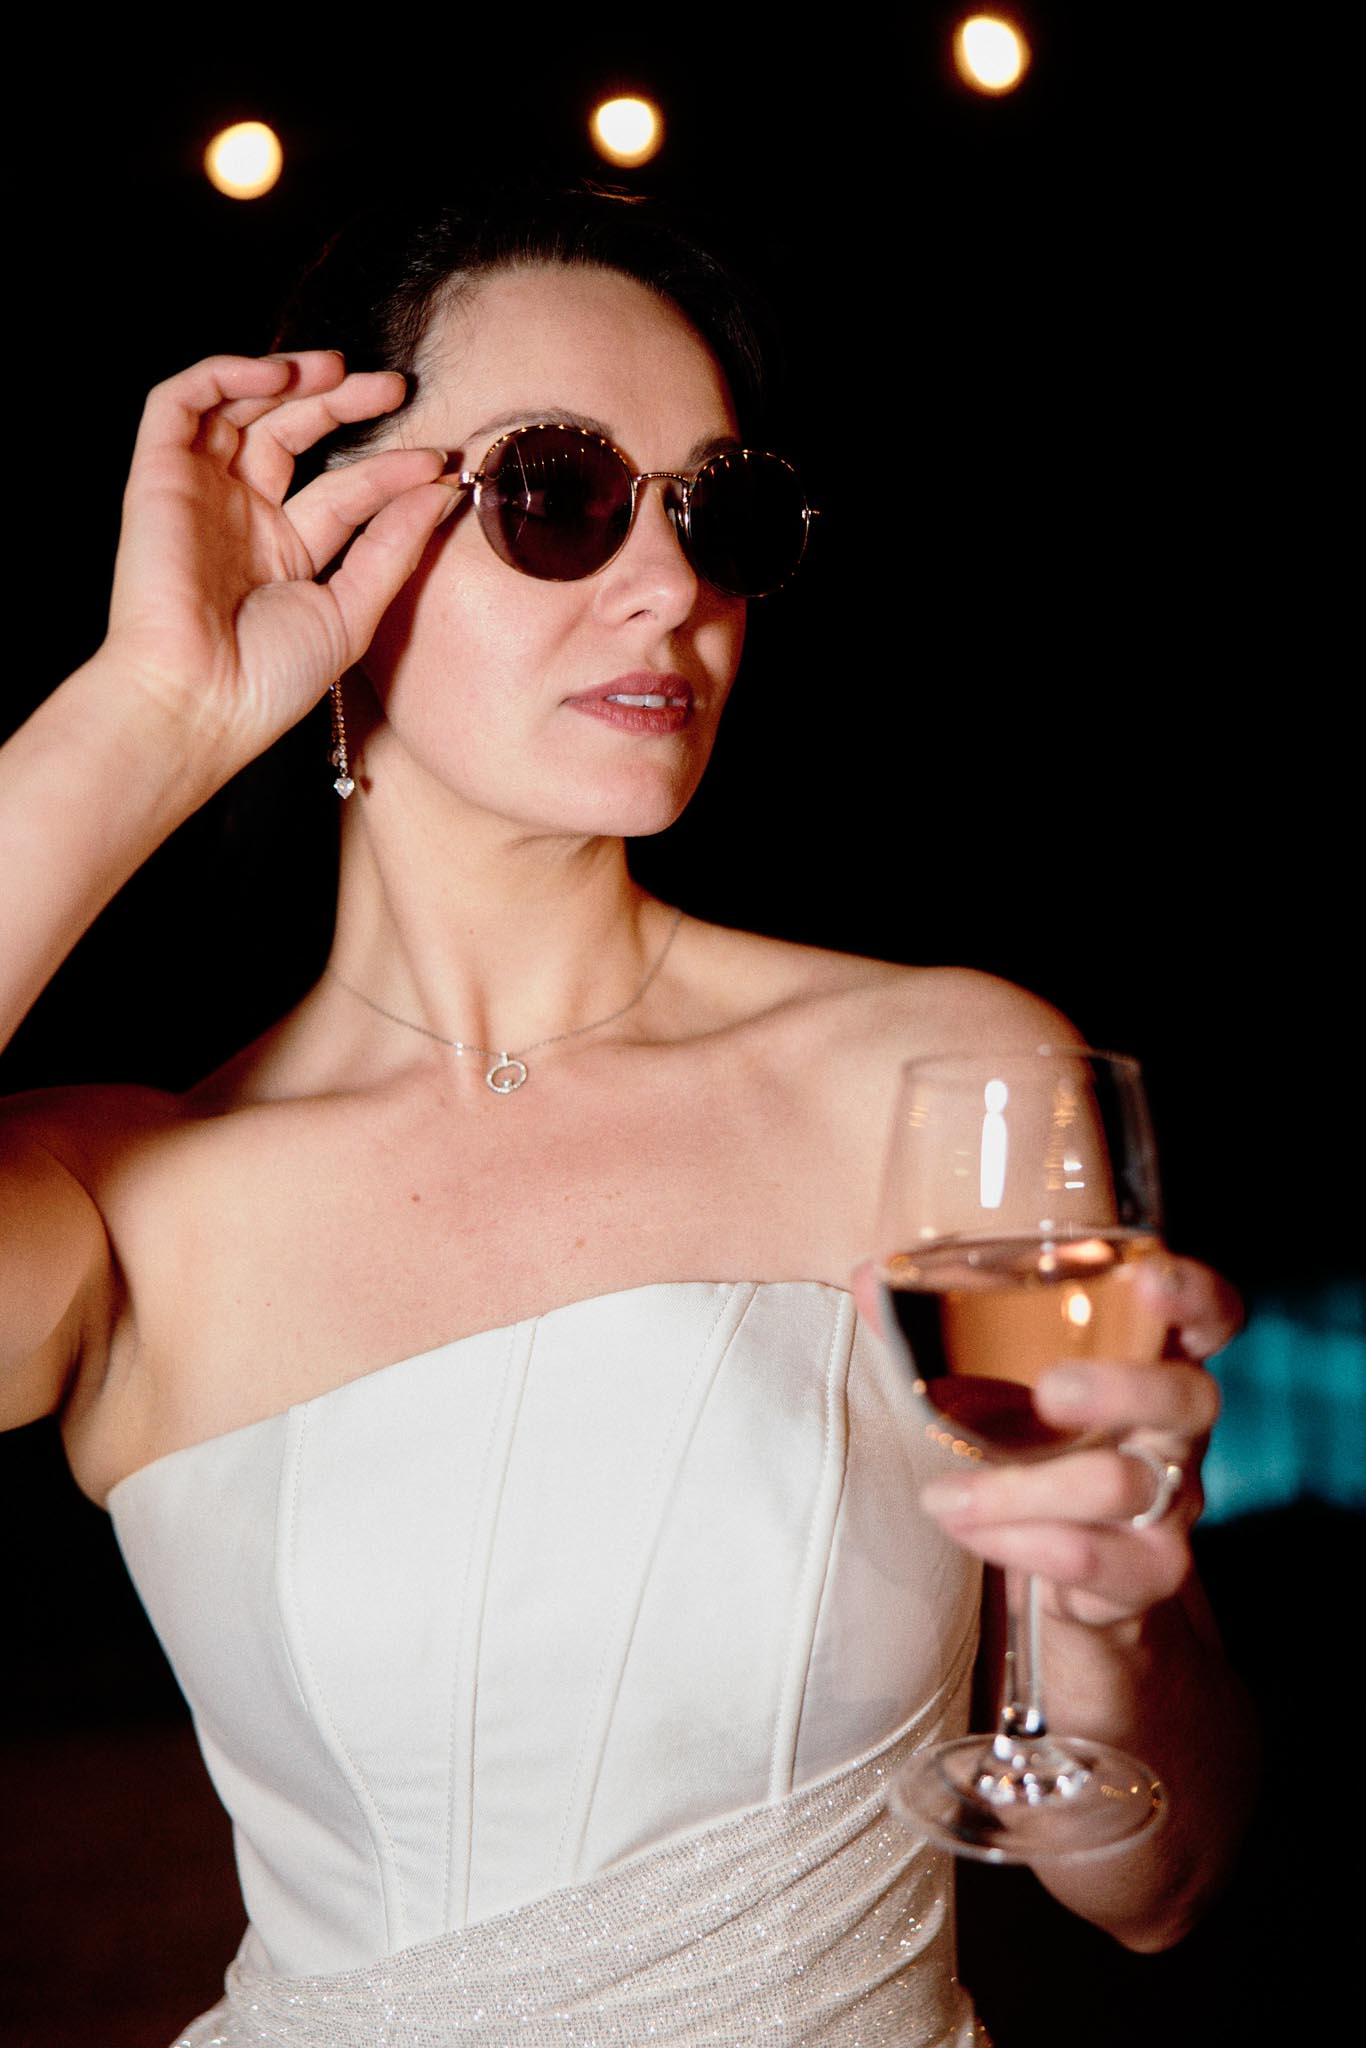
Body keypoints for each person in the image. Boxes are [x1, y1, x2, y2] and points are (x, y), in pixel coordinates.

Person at [0, 187, 1253, 2046]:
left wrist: (1117, 1617)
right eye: (560, 490)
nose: (670, 583)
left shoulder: (944, 1077)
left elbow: (1151, 1888)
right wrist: (151, 713)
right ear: (329, 528)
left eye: (720, 511)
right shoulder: (116, 1199)